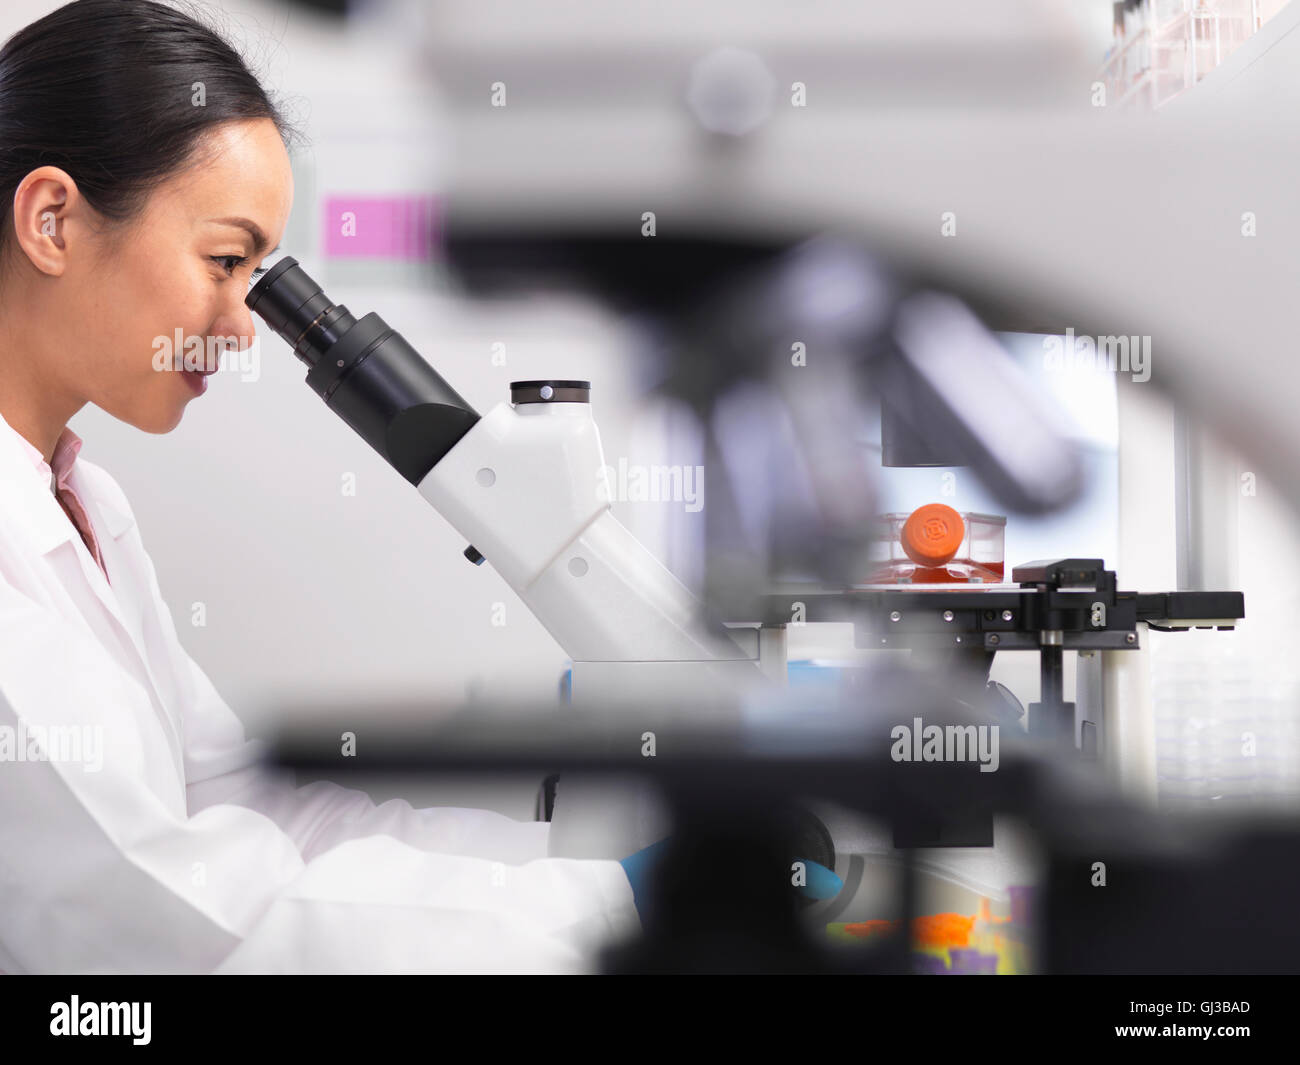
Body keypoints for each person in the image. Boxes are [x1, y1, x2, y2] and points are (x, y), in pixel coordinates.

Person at [0, 0, 641, 974]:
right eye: (223, 261)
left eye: (256, 276)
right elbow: (158, 918)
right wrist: (599, 916)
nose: (244, 324)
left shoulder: (83, 504)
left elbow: (249, 814)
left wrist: (577, 872)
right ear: (53, 220)